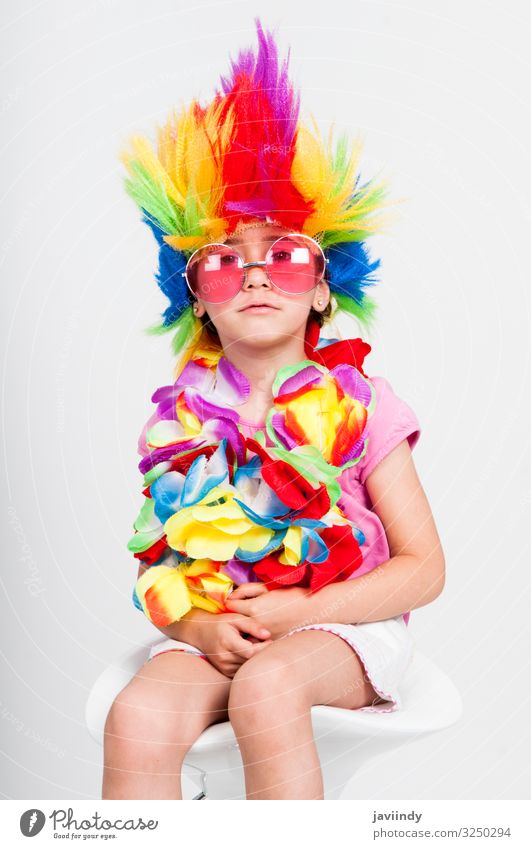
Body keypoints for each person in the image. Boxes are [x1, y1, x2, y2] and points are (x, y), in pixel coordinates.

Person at [102, 19, 445, 800]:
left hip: (338, 627)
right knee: (138, 715)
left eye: (284, 255)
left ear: (324, 288)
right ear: (196, 302)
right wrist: (194, 628)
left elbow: (424, 568)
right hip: (222, 629)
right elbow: (162, 568)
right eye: (223, 263)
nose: (254, 276)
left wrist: (301, 613)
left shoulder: (363, 405)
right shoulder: (176, 423)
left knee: (267, 689)